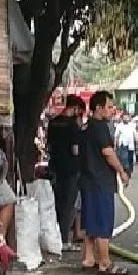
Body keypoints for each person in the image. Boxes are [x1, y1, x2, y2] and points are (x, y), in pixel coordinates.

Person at [78, 90, 130, 275]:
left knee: (91, 222)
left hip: (86, 180)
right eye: (108, 107)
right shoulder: (100, 127)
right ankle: (105, 263)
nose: (111, 110)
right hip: (100, 181)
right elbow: (108, 153)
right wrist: (122, 172)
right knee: (102, 223)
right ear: (98, 108)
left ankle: (89, 258)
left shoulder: (84, 127)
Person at [48, 95, 85, 250]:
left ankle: (55, 238)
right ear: (75, 108)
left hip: (55, 168)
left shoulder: (53, 122)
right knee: (68, 206)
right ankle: (64, 240)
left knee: (56, 203)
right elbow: (75, 150)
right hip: (71, 170)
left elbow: (49, 145)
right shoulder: (72, 125)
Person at [114, 111, 136, 178]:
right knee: (124, 158)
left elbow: (135, 135)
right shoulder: (119, 126)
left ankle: (129, 170)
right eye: (124, 117)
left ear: (129, 118)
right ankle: (125, 171)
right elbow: (116, 136)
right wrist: (115, 145)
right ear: (122, 118)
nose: (126, 119)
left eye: (127, 117)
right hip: (123, 144)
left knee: (130, 159)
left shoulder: (132, 125)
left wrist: (136, 143)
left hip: (131, 145)